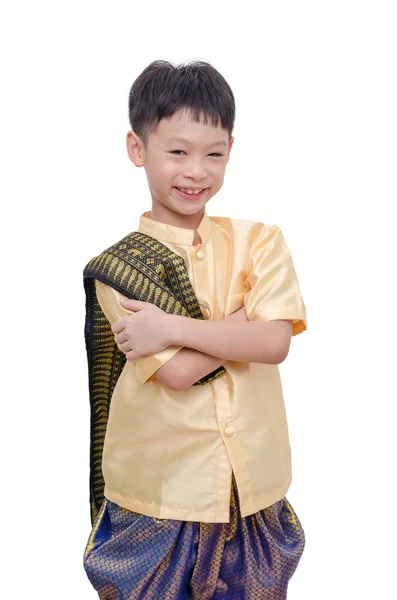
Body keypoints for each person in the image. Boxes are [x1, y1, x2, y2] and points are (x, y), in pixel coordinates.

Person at [83, 59, 307, 600]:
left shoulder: (260, 240)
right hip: (158, 499)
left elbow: (275, 343)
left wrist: (172, 326)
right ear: (138, 149)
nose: (196, 171)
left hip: (249, 495)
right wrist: (245, 320)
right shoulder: (120, 268)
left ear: (232, 149)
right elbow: (180, 372)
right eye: (177, 151)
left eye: (214, 154)